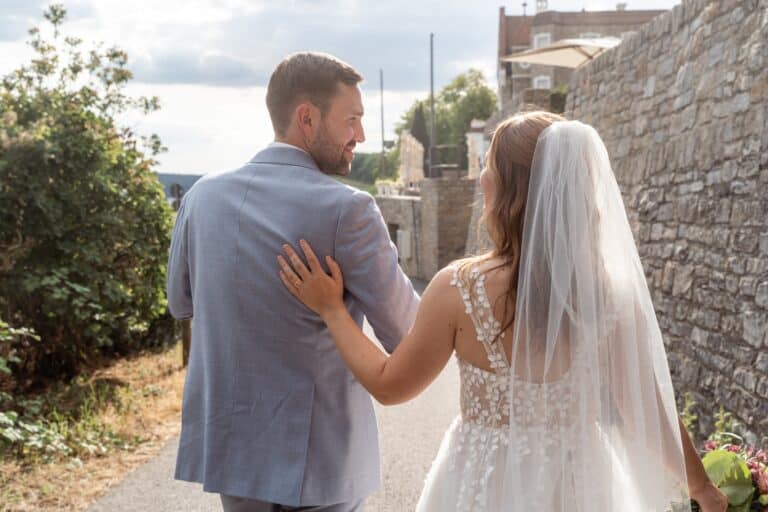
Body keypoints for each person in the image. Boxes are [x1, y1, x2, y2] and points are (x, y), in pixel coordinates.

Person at [277, 112, 728, 511]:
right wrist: (703, 488)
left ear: (507, 186)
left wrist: (332, 309)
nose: (481, 176)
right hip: (581, 485)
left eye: (488, 164)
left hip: (480, 484)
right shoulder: (608, 294)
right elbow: (646, 410)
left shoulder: (458, 288)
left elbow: (390, 386)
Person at [167, 52, 420, 512]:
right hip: (319, 461)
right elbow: (409, 333)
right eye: (352, 120)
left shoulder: (201, 197)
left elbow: (180, 303)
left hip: (233, 454)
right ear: (307, 117)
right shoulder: (350, 210)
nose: (360, 136)